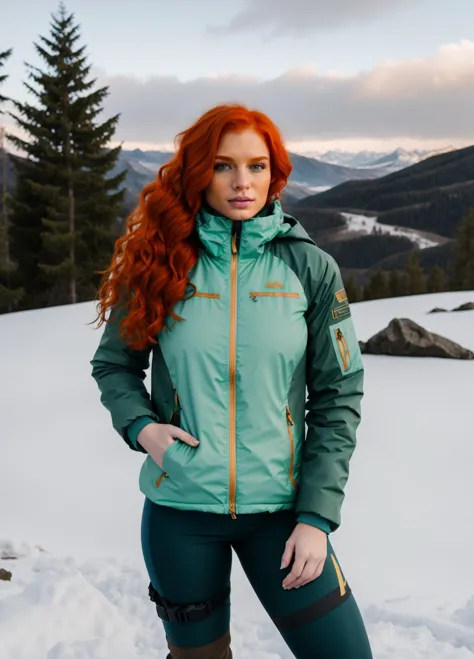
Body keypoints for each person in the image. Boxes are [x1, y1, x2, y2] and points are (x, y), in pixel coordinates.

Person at [90, 103, 373, 659]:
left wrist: (317, 516)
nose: (243, 183)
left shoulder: (309, 268)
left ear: (276, 173)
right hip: (181, 515)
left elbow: (339, 397)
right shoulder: (162, 262)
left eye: (257, 166)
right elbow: (114, 366)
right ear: (199, 172)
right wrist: (143, 429)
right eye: (224, 166)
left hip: (284, 517)